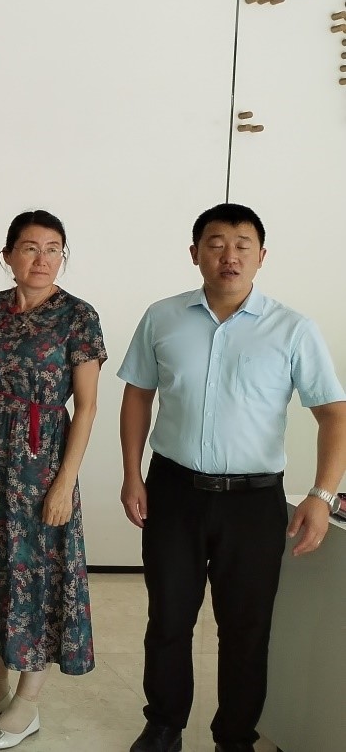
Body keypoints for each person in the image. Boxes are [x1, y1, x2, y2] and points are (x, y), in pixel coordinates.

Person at [119, 203, 346, 752]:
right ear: (195, 252)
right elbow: (138, 395)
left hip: (253, 502)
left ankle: (235, 737)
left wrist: (321, 494)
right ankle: (164, 724)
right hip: (173, 491)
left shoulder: (293, 328)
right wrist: (131, 474)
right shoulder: (162, 317)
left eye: (243, 245)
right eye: (216, 243)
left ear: (261, 256)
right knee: (168, 618)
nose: (230, 255)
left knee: (245, 628)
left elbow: (334, 414)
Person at [0, 210, 104, 750]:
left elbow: (86, 407)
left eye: (53, 248)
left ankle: (27, 702)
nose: (42, 259)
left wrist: (64, 482)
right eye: (30, 247)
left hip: (42, 464)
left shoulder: (78, 316)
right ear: (8, 255)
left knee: (36, 576)